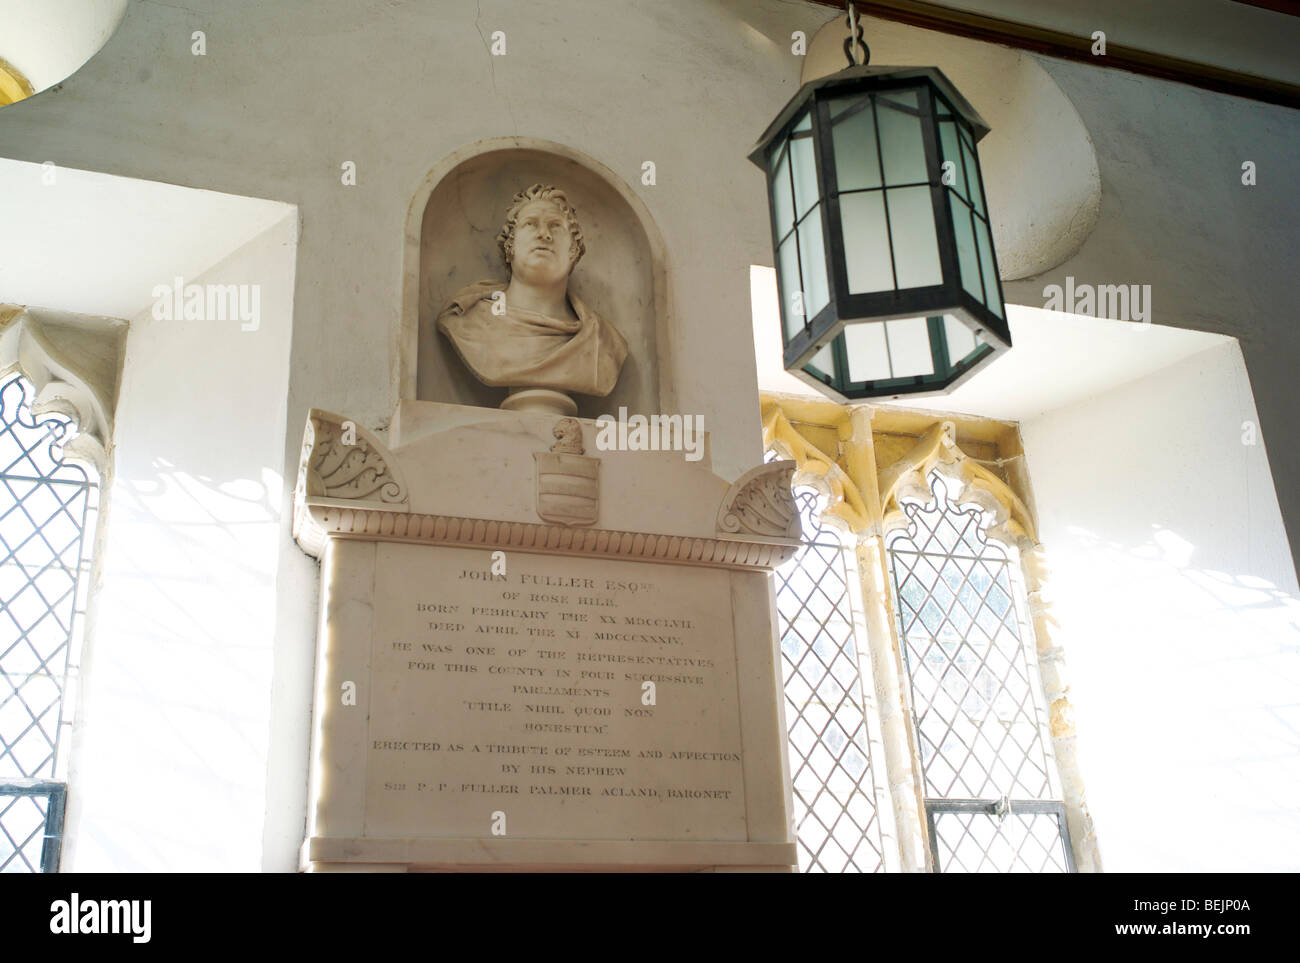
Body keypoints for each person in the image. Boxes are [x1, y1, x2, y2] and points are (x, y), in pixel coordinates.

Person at [436, 184, 627, 397]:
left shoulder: (602, 343)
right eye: (531, 224)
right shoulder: (469, 321)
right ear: (510, 246)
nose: (544, 234)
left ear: (573, 250)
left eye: (555, 226)